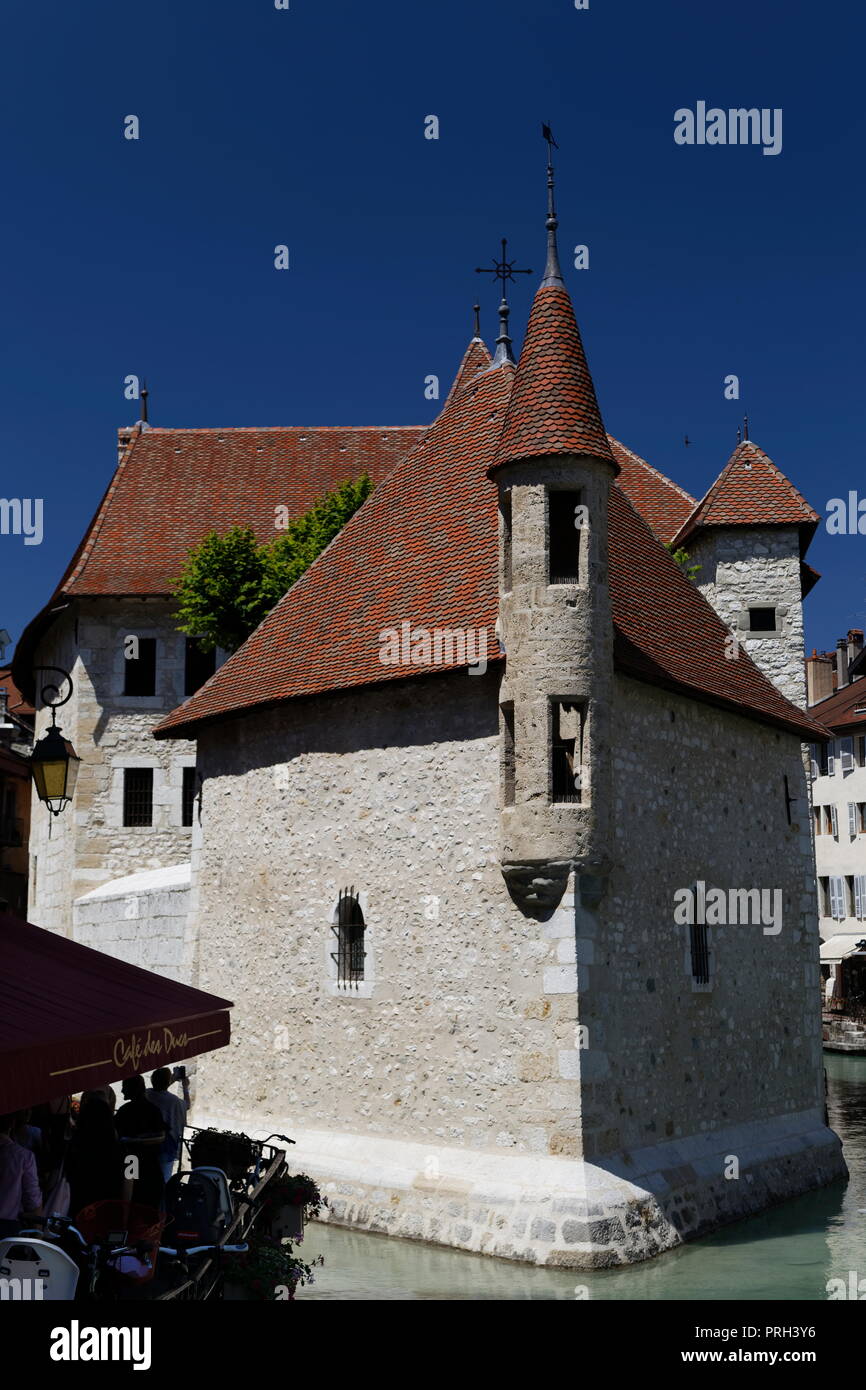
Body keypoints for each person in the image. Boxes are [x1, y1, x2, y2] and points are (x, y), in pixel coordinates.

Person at [65, 1093, 121, 1218]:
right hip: (109, 1209)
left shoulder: (74, 1147)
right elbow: (131, 1179)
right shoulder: (125, 1152)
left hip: (79, 1208)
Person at [115, 1076, 166, 1210]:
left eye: (124, 1087)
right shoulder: (153, 1110)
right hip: (150, 1164)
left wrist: (133, 1141)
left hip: (131, 1159)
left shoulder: (125, 1111)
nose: (121, 1091)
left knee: (130, 1199)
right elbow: (161, 1136)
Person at [0, 1112, 42, 1238]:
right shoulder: (23, 1156)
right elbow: (33, 1200)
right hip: (6, 1229)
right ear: (11, 1124)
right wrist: (38, 1235)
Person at [146, 1067, 189, 1183]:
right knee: (164, 1179)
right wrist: (185, 1087)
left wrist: (172, 1079)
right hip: (165, 1146)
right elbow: (187, 1105)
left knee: (144, 1176)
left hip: (145, 1143)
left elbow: (159, 1089)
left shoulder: (146, 1094)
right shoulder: (174, 1101)